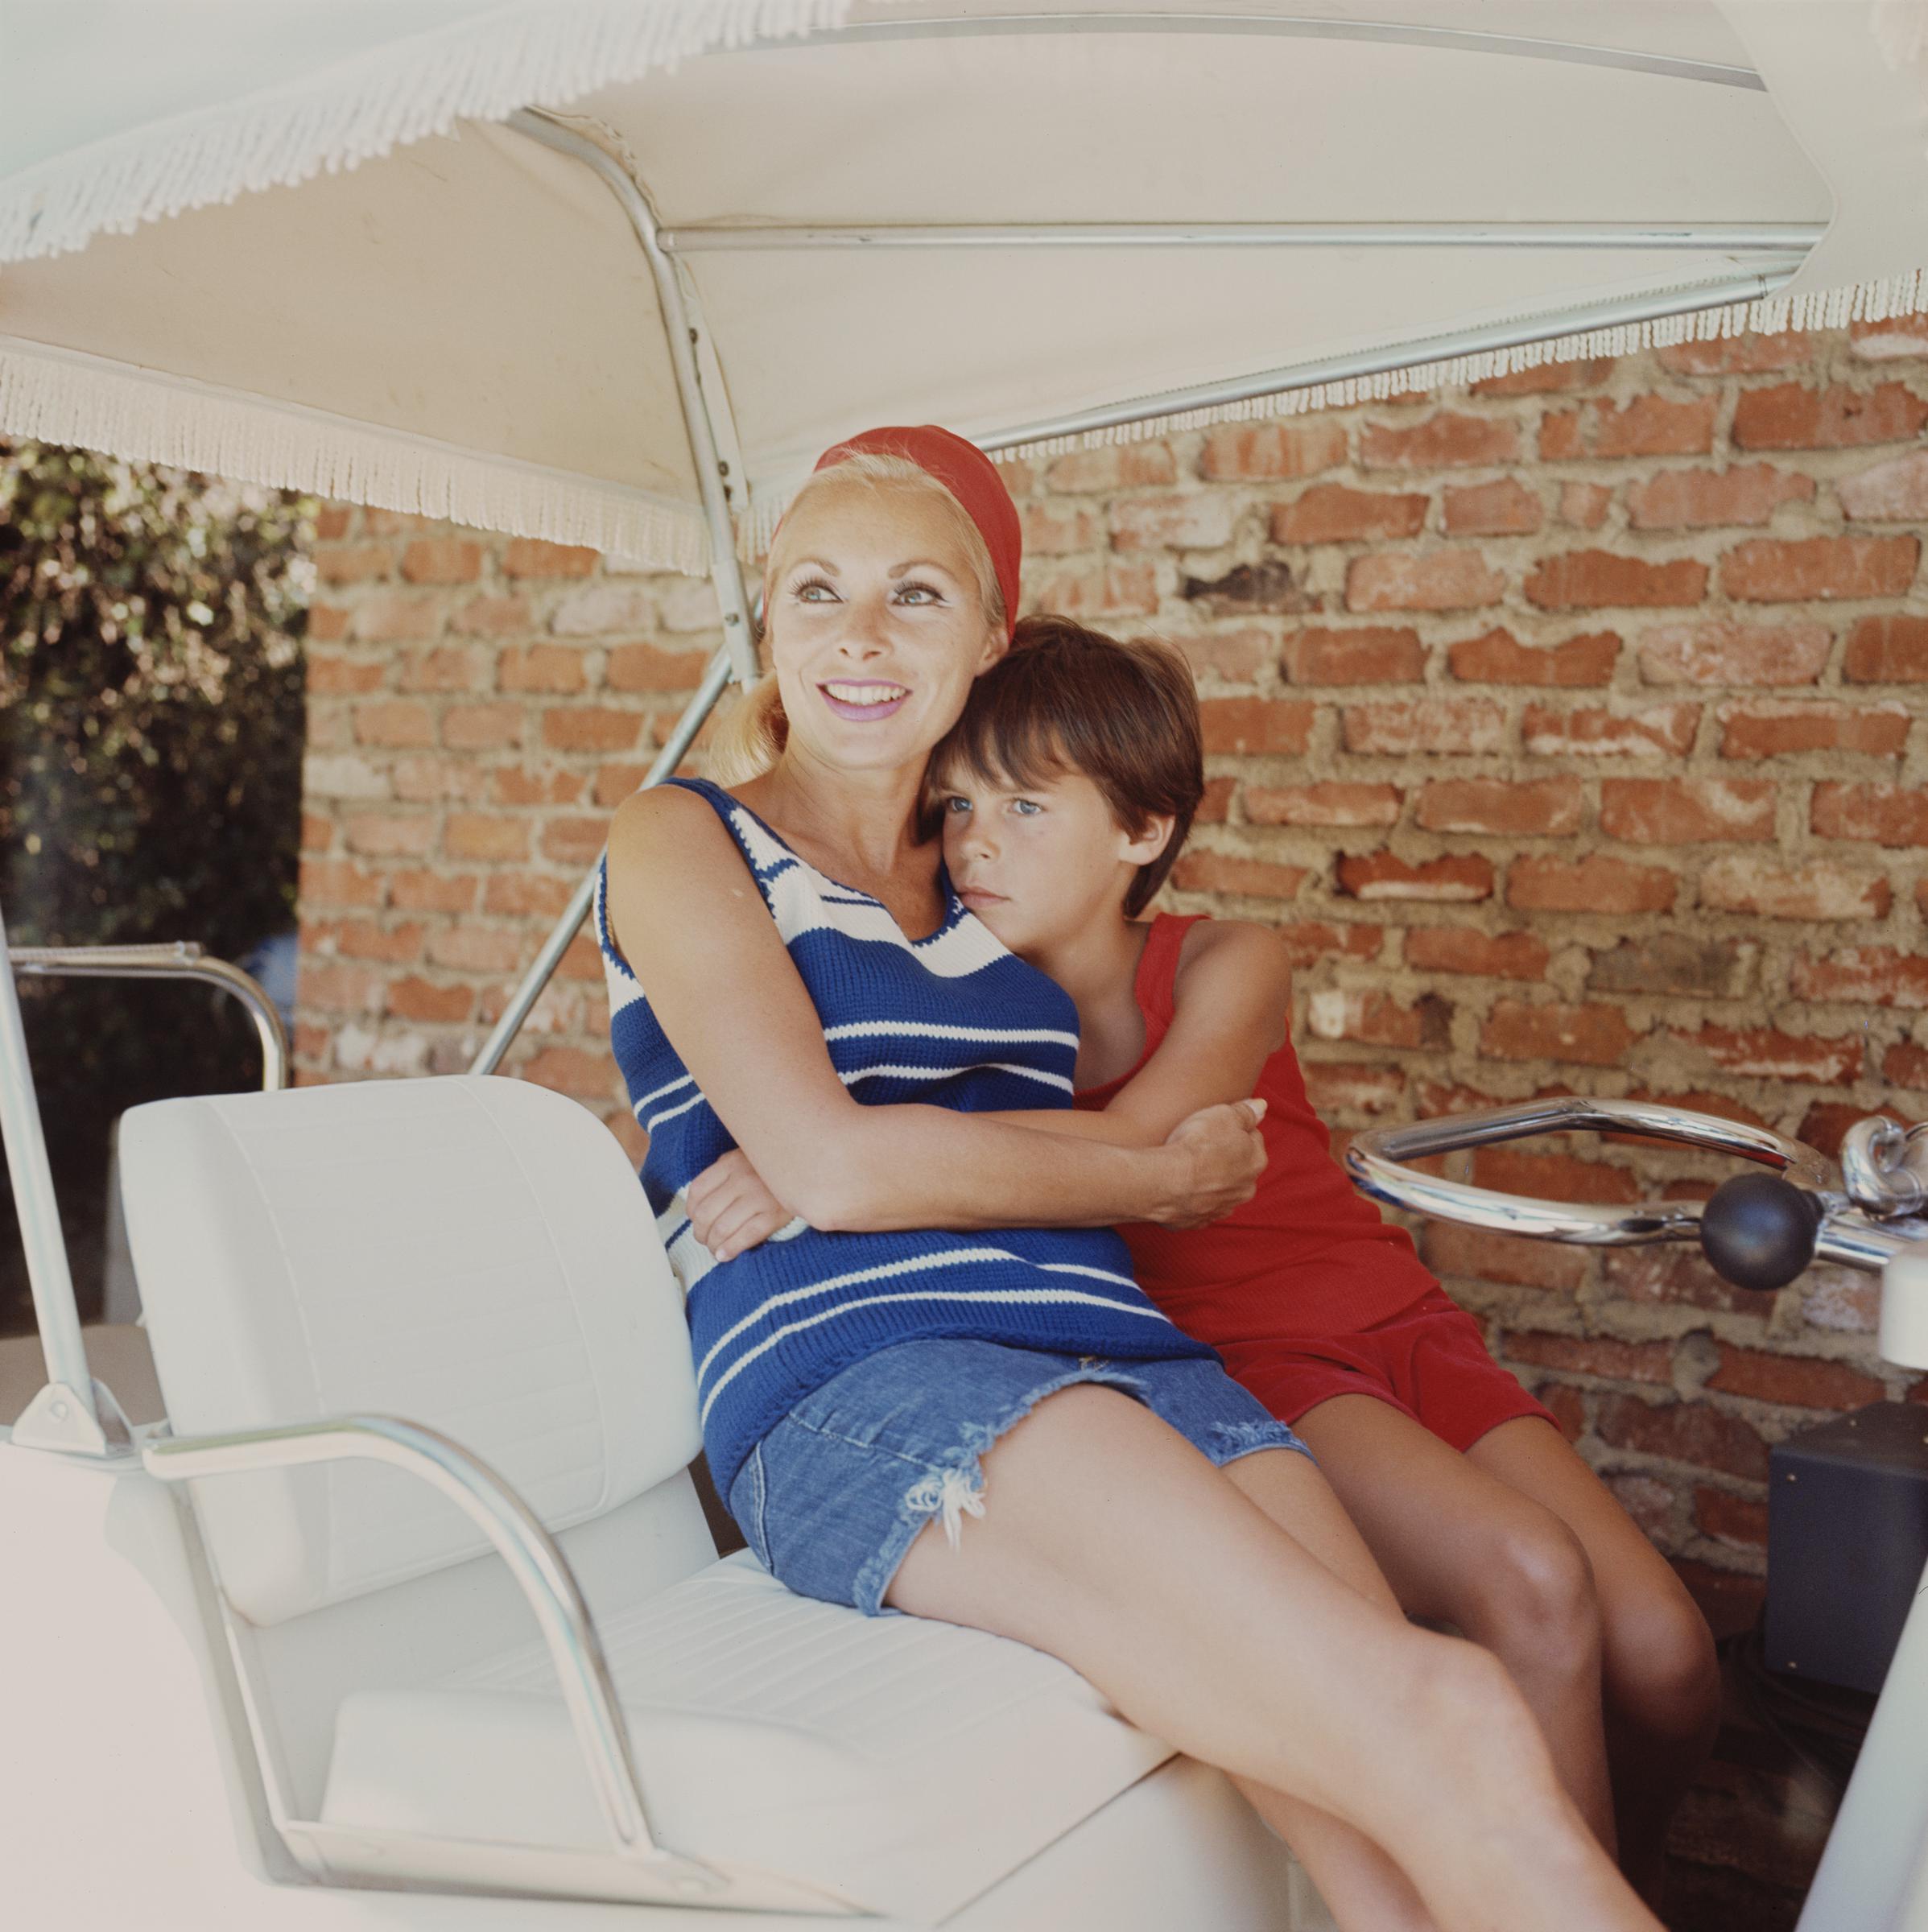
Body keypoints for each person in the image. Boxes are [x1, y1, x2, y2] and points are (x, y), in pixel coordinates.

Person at [601, 423, 1660, 1932]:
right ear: (768, 623)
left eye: (914, 594)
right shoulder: (682, 834)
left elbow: (1052, 1139)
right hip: (878, 1369)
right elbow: (844, 1166)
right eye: (814, 590)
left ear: (988, 635)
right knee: (1452, 1717)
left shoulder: (986, 874)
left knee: (1393, 1833)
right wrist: (911, 1168)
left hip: (1131, 1352)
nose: (857, 634)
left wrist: (908, 1160)